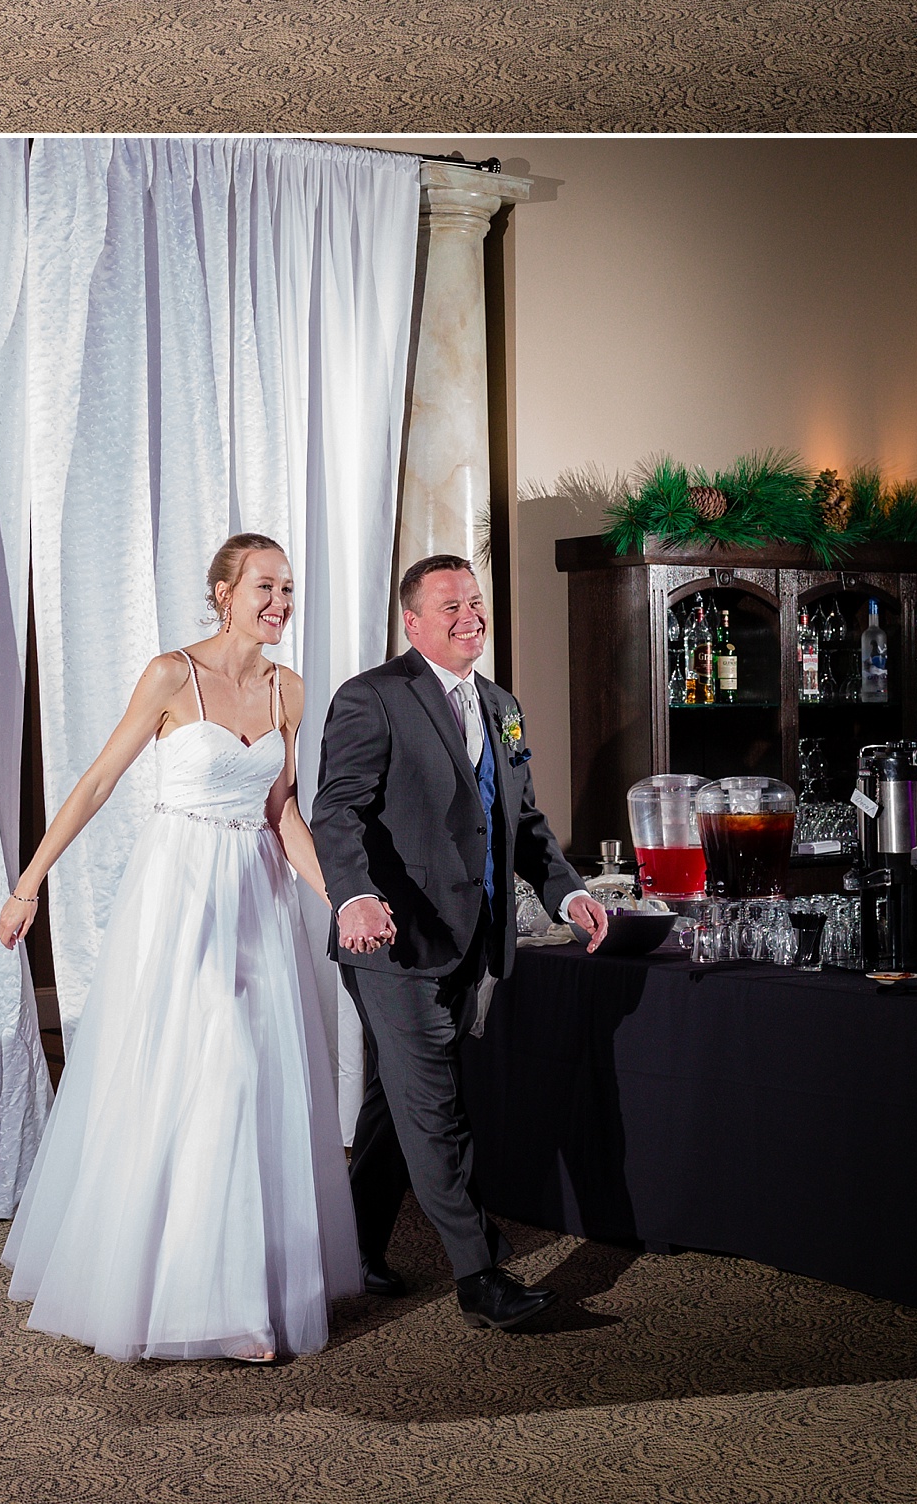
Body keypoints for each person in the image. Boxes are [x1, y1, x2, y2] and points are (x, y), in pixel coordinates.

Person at [0, 533, 378, 1363]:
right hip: (180, 897)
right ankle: (172, 1290)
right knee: (206, 1071)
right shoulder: (172, 675)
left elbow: (284, 814)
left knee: (252, 1080)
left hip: (256, 901)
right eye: (264, 587)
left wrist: (344, 900)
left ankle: (238, 1295)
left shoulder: (290, 689)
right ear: (223, 593)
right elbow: (97, 780)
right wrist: (31, 881)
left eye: (287, 588)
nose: (280, 602)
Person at [312, 554, 608, 1330]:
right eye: (449, 606)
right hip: (394, 946)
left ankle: (357, 1253)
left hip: (472, 942)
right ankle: (484, 1280)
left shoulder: (501, 704)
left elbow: (523, 825)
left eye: (474, 602)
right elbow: (335, 813)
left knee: (393, 1106)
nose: (468, 615)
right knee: (437, 1108)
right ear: (412, 623)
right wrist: (357, 897)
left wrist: (569, 891)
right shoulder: (371, 698)